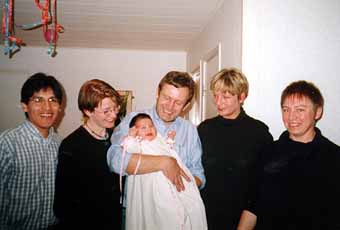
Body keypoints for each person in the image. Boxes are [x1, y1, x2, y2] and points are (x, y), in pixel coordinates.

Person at [107, 71, 205, 229]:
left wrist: (180, 188)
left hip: (176, 213)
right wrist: (164, 163)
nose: (170, 107)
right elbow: (115, 160)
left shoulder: (189, 131)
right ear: (157, 93)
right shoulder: (136, 119)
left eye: (178, 102)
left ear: (186, 106)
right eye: (167, 97)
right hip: (140, 211)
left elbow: (198, 174)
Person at [238, 80, 340, 230]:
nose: (291, 117)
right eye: (286, 109)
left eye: (300, 109)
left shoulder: (334, 157)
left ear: (318, 112)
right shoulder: (267, 153)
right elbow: (252, 206)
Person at [197, 68, 273, 229]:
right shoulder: (204, 129)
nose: (218, 102)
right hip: (206, 218)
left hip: (244, 220)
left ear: (242, 97)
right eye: (216, 96)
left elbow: (262, 186)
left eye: (225, 96)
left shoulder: (259, 132)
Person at [53, 79, 122, 229]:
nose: (114, 115)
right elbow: (62, 204)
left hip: (114, 221)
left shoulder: (117, 136)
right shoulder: (71, 146)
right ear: (88, 111)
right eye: (106, 111)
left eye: (115, 108)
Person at [0, 72, 64, 229]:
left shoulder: (61, 144)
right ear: (24, 106)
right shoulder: (7, 143)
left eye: (52, 100)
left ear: (60, 107)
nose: (47, 108)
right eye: (38, 100)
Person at [122, 113, 207, 230]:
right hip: (152, 184)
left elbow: (167, 150)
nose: (149, 129)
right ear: (135, 131)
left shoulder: (158, 139)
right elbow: (129, 148)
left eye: (151, 126)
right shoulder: (139, 143)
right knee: (163, 213)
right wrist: (131, 137)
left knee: (190, 206)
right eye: (143, 127)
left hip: (169, 179)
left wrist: (170, 140)